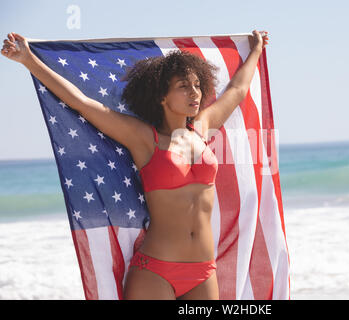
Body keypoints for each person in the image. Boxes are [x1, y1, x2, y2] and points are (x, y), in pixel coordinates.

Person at [1, 30, 269, 300]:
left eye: (198, 85)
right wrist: (28, 60)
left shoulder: (202, 128)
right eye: (184, 86)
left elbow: (237, 90)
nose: (195, 93)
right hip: (156, 271)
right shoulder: (144, 139)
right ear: (162, 97)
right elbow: (83, 104)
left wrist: (255, 49)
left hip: (203, 271)